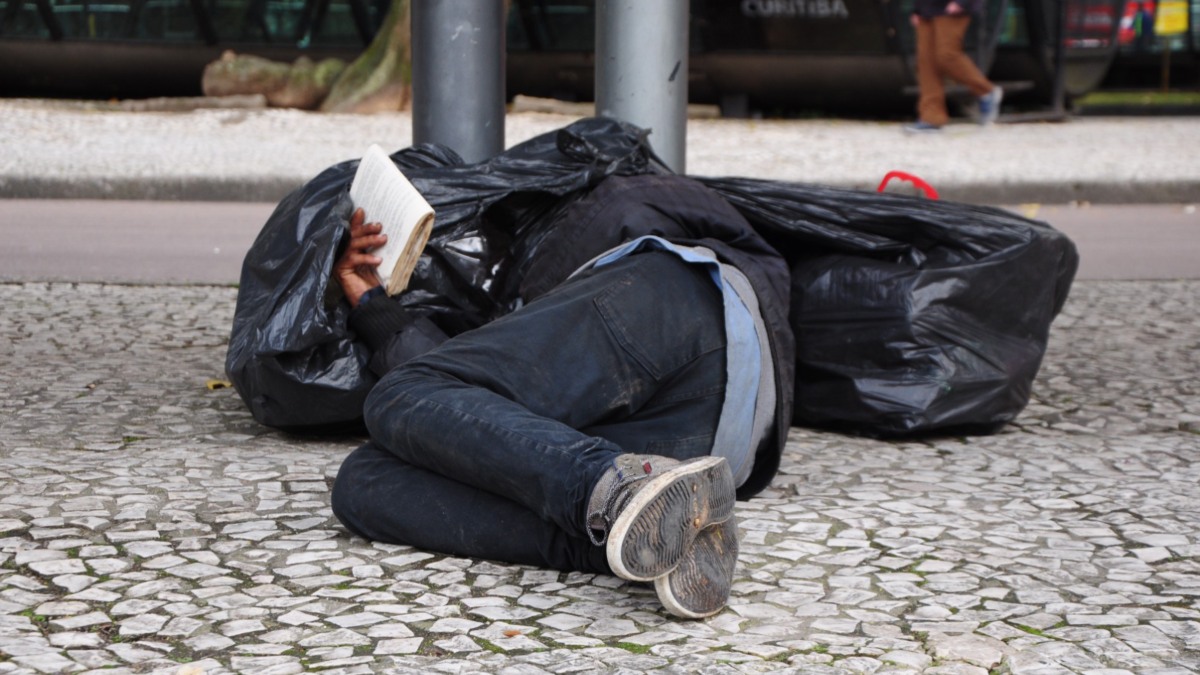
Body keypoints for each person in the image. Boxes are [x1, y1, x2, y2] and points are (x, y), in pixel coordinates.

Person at [328, 174, 794, 619]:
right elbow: (458, 412)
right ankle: (654, 539)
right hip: (720, 448)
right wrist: (372, 304)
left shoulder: (542, 231)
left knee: (401, 392)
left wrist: (375, 309)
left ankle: (615, 489)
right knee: (362, 482)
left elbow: (432, 389)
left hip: (682, 307)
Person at [905, 0, 1004, 133]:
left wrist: (963, 3)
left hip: (952, 7)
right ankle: (931, 118)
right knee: (926, 63)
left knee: (947, 56)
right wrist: (916, 10)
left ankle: (986, 91)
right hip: (926, 8)